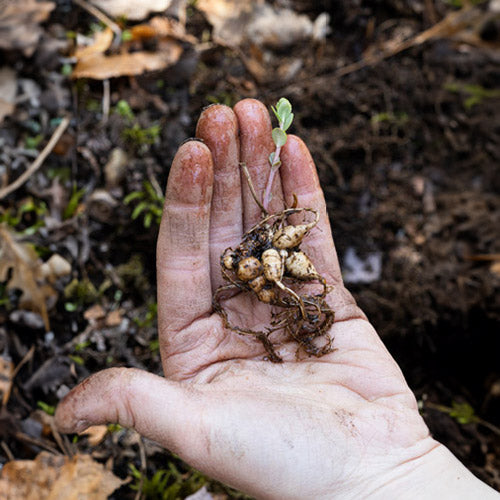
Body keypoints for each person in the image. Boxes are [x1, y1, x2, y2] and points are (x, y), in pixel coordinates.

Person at [55, 99, 499, 499]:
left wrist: (381, 476)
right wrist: (385, 478)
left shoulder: (278, 256)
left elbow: (277, 263)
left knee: (289, 270)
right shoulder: (261, 260)